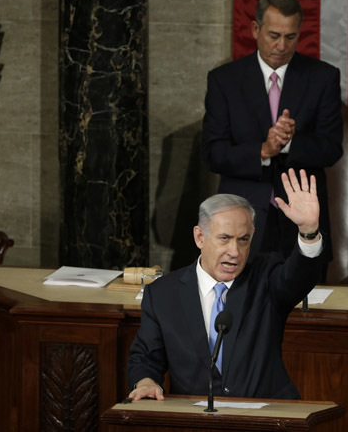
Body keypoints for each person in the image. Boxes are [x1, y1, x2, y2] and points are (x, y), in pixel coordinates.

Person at [127, 168, 325, 400]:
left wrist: (308, 230)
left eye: (243, 240)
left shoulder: (266, 278)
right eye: (224, 239)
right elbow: (146, 357)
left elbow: (298, 278)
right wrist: (147, 381)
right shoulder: (163, 294)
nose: (235, 252)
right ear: (200, 237)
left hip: (266, 417)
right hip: (196, 421)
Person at [201, 0, 342, 270]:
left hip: (299, 222)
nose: (281, 45)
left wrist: (289, 143)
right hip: (240, 222)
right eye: (274, 35)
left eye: (290, 37)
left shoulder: (322, 78)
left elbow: (331, 148)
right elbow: (213, 153)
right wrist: (263, 150)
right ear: (256, 29)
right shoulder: (225, 80)